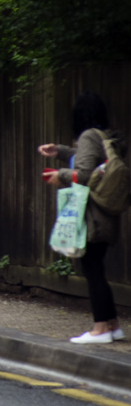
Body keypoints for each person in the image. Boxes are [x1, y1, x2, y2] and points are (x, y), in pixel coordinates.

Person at [38, 91, 125, 344]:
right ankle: (112, 325)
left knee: (92, 268)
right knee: (96, 267)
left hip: (93, 215)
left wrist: (60, 175)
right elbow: (87, 157)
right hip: (107, 214)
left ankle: (100, 329)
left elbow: (84, 173)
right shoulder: (106, 137)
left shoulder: (88, 136)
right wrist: (60, 150)